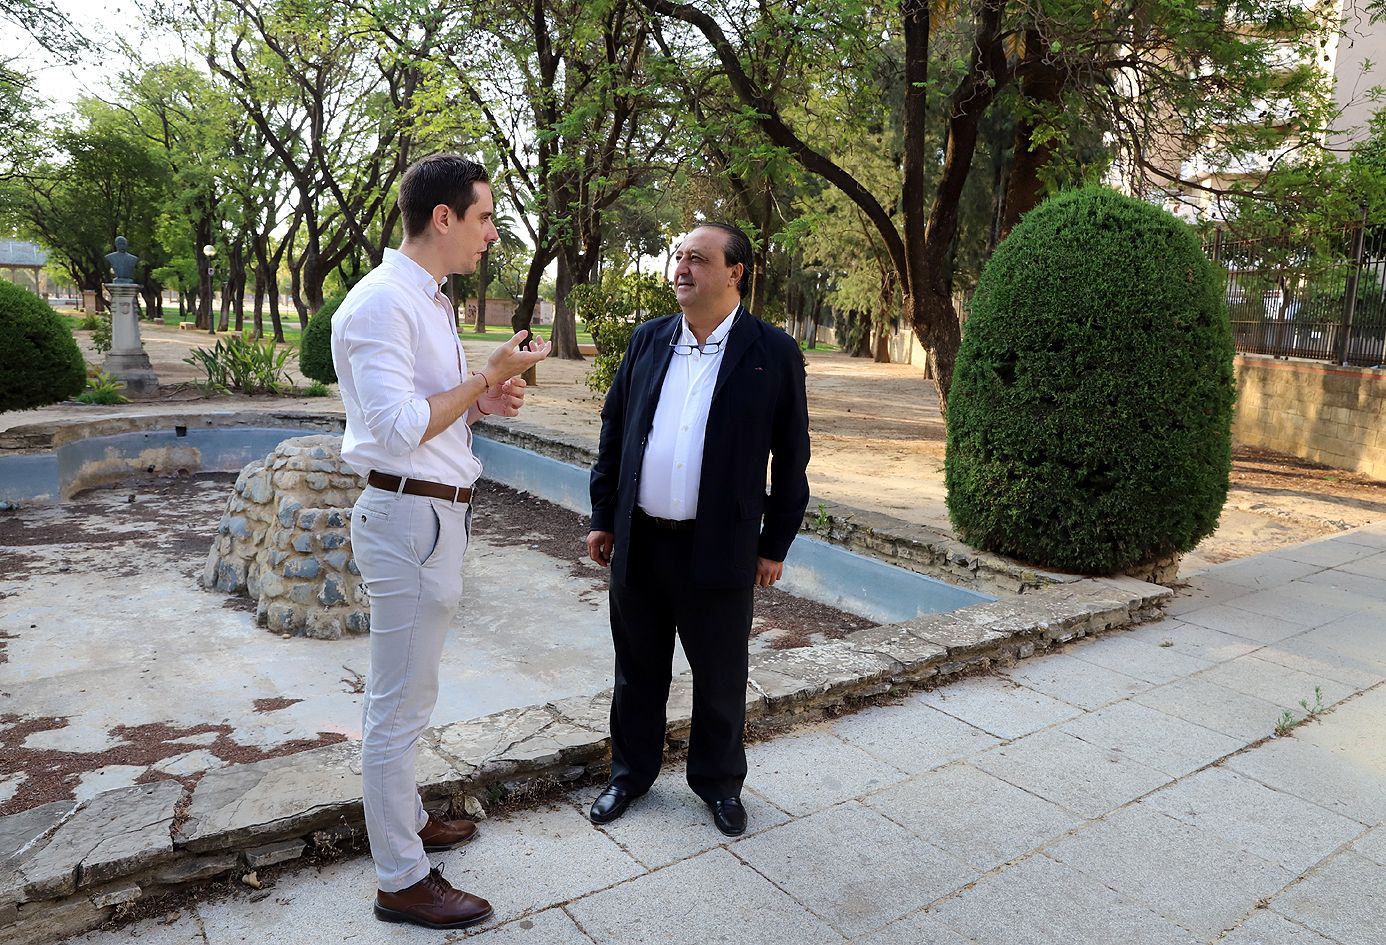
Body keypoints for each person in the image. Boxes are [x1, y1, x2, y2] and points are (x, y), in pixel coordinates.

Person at [331, 153, 551, 930]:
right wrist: (481, 376)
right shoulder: (382, 304)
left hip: (434, 513)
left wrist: (484, 399)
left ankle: (407, 820)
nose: (493, 233)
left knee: (413, 695)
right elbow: (393, 429)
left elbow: (431, 414)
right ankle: (400, 876)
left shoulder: (429, 300)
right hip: (405, 518)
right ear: (445, 218)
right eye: (486, 217)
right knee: (395, 705)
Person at [585, 222, 811, 836]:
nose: (680, 268)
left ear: (734, 272)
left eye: (697, 259)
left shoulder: (772, 353)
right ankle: (629, 775)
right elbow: (615, 432)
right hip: (641, 541)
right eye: (677, 257)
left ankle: (717, 783)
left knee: (720, 677)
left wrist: (774, 544)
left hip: (721, 547)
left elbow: (793, 458)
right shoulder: (648, 341)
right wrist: (605, 515)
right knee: (637, 673)